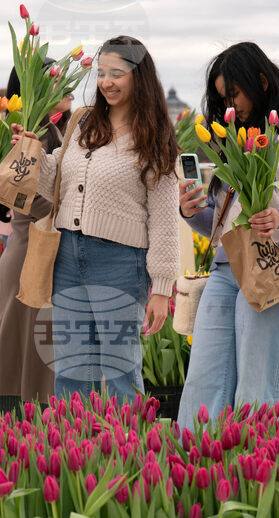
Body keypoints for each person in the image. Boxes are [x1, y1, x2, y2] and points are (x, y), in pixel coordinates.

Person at [177, 42, 279, 423]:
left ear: (262, 82)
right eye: (222, 97)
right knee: (204, 379)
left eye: (234, 93)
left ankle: (256, 472)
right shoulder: (235, 142)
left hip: (276, 267)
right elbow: (223, 228)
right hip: (224, 271)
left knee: (257, 382)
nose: (231, 103)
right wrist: (192, 213)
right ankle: (193, 471)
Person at [12, 35, 180, 403]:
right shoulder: (83, 120)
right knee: (72, 370)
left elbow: (165, 219)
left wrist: (163, 288)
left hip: (121, 262)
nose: (106, 81)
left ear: (139, 76)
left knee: (121, 370)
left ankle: (132, 454)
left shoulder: (154, 134)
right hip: (68, 257)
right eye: (102, 73)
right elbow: (55, 181)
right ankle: (76, 455)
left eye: (116, 73)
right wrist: (30, 150)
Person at [0, 64, 71, 415]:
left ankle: (28, 430)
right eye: (58, 80)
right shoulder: (29, 135)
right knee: (18, 345)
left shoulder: (57, 130)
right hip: (32, 250)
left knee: (31, 347)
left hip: (42, 250)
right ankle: (17, 428)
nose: (68, 85)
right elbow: (22, 197)